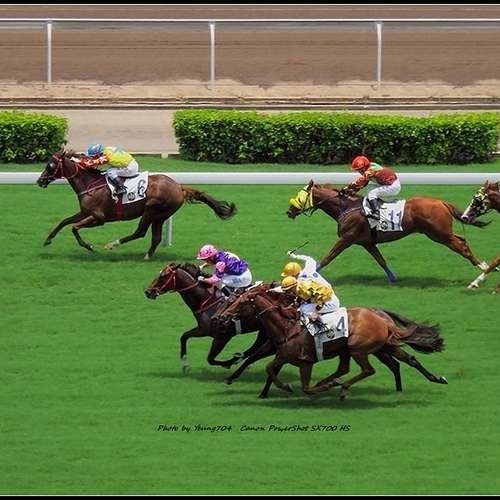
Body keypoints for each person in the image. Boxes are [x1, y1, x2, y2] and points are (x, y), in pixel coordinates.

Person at [340, 155, 401, 220]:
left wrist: (346, 188)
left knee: (372, 193)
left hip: (393, 186)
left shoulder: (371, 170)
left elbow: (361, 180)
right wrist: (354, 190)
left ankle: (376, 213)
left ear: (364, 167)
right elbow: (364, 183)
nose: (359, 172)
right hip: (389, 184)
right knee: (370, 187)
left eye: (360, 170)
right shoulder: (370, 167)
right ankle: (373, 205)